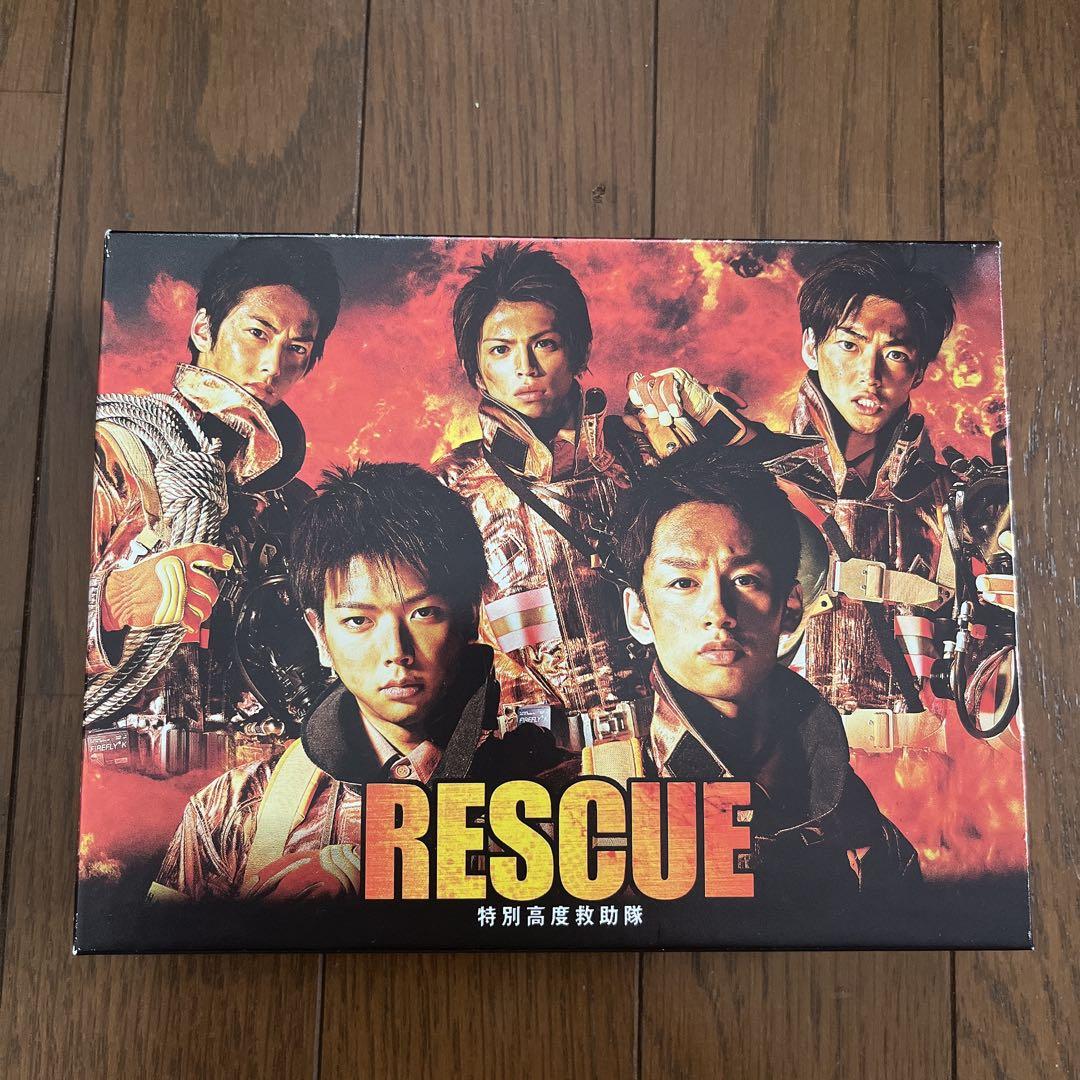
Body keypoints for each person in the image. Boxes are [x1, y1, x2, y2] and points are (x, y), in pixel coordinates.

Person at [434, 242, 793, 781]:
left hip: (674, 745)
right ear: (478, 370)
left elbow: (794, 502)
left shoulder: (644, 447)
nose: (526, 368)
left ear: (578, 351)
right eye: (501, 350)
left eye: (545, 344)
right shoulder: (453, 486)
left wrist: (721, 432)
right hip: (529, 764)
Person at [149, 462, 573, 902]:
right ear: (320, 635)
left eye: (423, 613)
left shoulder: (562, 798)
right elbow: (162, 945)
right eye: (358, 620)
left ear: (470, 617)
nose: (396, 651)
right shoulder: (230, 813)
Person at [613, 453, 921, 900]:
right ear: (640, 614)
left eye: (745, 579)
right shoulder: (595, 808)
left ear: (790, 606)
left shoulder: (846, 806)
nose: (719, 612)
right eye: (683, 582)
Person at [85, 237, 341, 768]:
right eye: (257, 333)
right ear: (203, 329)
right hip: (121, 773)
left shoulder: (292, 506)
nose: (272, 364)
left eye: (297, 348)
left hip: (259, 780)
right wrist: (114, 602)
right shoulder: (115, 450)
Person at [770, 245, 1015, 752]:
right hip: (789, 764)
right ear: (811, 347)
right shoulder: (753, 486)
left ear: (919, 372)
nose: (871, 374)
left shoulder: (960, 506)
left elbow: (997, 699)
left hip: (927, 769)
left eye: (896, 353)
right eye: (849, 344)